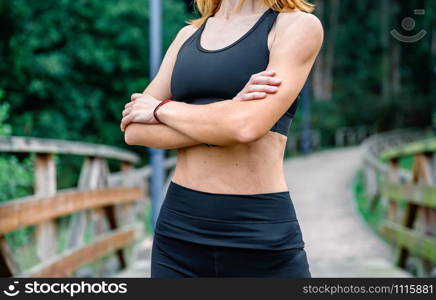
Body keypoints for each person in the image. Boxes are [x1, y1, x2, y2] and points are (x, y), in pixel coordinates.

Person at [120, 0, 323, 277]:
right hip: (178, 236)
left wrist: (160, 109)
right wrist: (226, 114)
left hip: (258, 235)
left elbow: (246, 126)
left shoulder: (296, 27)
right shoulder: (187, 37)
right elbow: (134, 130)